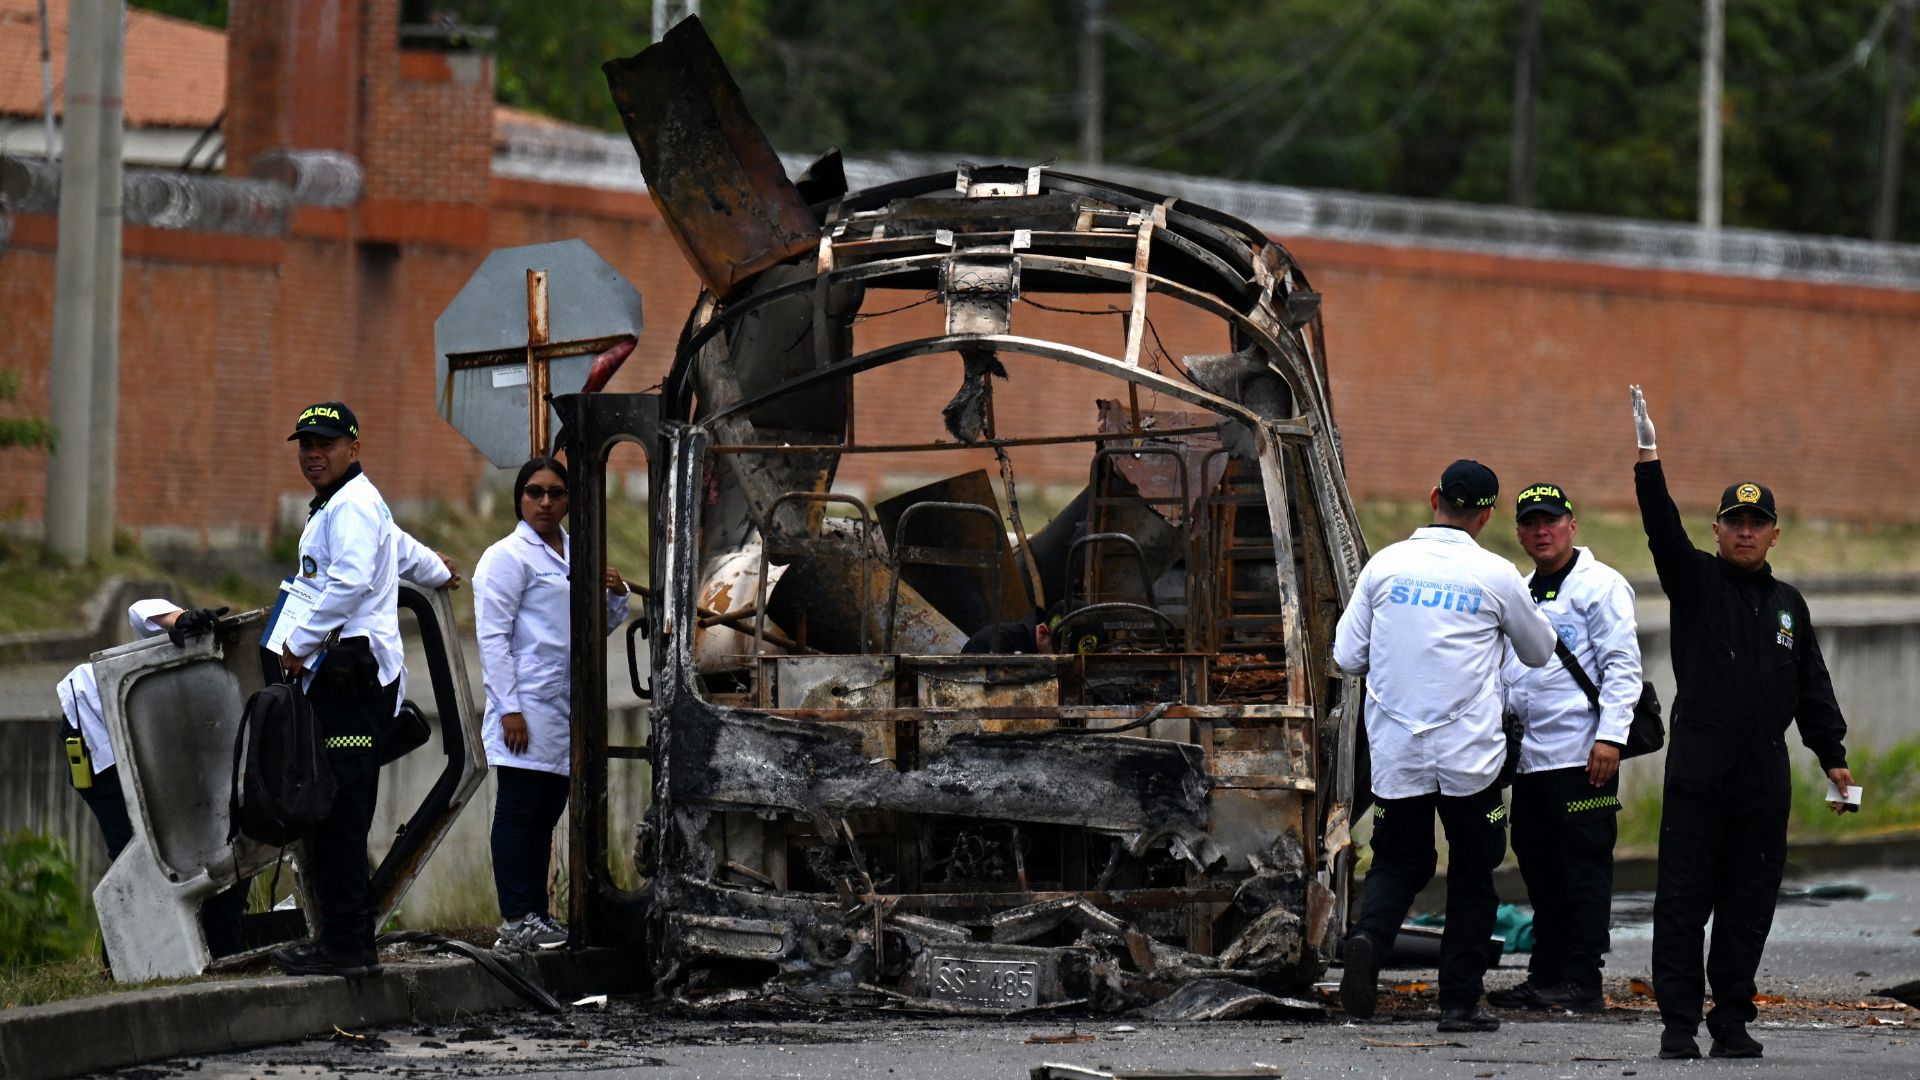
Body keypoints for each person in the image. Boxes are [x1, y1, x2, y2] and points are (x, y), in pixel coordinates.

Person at [1629, 385, 1855, 1061]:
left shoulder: (1789, 604)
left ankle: (1732, 1017)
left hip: (1764, 772)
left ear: (1774, 532)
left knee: (1748, 901)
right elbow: (1660, 529)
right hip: (1701, 767)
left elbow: (1811, 684)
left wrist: (1833, 756)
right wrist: (1648, 460)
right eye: (1735, 521)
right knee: (1682, 899)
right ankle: (1677, 1023)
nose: (1746, 531)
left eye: (1757, 522)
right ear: (1718, 530)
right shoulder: (1696, 582)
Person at [1332, 459, 1558, 1033]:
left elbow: (1346, 656)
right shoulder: (1497, 574)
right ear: (1486, 514)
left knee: (1398, 860)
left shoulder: (1384, 567)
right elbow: (1538, 652)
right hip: (1470, 758)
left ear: (1433, 497)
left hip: (1397, 753)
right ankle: (1459, 1003)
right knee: (1473, 873)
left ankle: (1368, 941)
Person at [270, 401, 459, 979]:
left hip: (352, 681)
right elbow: (398, 550)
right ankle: (342, 941)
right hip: (347, 679)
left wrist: (299, 642)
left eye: (325, 444)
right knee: (333, 813)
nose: (313, 454)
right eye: (305, 445)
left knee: (340, 817)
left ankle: (348, 948)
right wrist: (439, 571)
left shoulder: (350, 505)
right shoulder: (350, 503)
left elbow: (351, 579)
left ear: (354, 448)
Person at [1487, 483, 1641, 1014]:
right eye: (1530, 522)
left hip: (1584, 759)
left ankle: (1582, 979)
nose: (1541, 530)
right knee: (1538, 867)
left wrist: (1611, 738)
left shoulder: (1601, 586)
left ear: (1572, 524)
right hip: (1531, 762)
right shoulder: (1519, 589)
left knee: (1583, 869)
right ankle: (1546, 973)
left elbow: (1624, 668)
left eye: (1550, 520)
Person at [473, 456, 628, 951]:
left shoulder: (575, 552)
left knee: (546, 813)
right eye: (535, 492)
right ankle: (516, 917)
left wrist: (616, 593)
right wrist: (509, 710)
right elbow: (493, 639)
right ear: (519, 498)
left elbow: (591, 628)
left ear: (569, 500)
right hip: (525, 705)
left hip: (564, 707)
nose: (545, 501)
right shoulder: (506, 558)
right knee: (519, 810)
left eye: (556, 493)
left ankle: (537, 916)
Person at [59, 600, 246, 961]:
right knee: (136, 853)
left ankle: (212, 949)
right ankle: (127, 964)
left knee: (225, 840)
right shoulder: (229, 650)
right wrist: (179, 619)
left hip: (158, 743)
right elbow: (140, 610)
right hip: (96, 724)